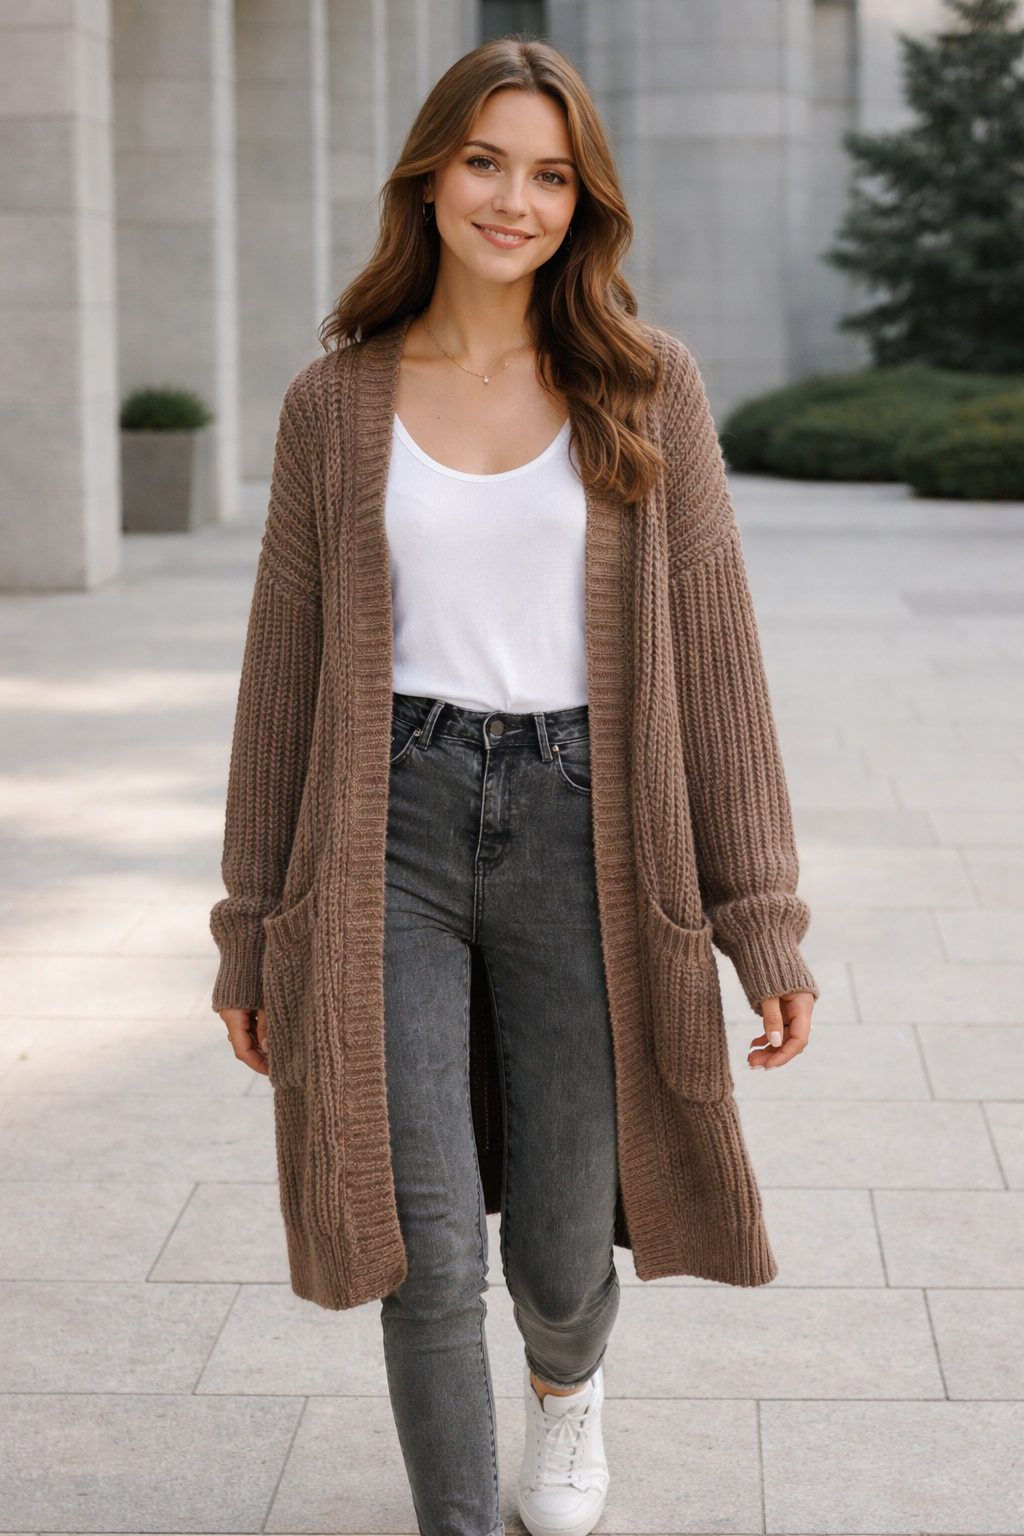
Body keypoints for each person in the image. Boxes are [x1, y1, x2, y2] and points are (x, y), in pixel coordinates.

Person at [213, 37, 817, 1536]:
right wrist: (247, 927)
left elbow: (722, 670)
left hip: (588, 827)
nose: (514, 198)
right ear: (429, 172)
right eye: (486, 160)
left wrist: (764, 921)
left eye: (549, 174)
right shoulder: (333, 403)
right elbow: (282, 681)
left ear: (583, 202)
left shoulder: (645, 385)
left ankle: (566, 1387)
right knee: (419, 1241)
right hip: (387, 833)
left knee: (558, 1244)